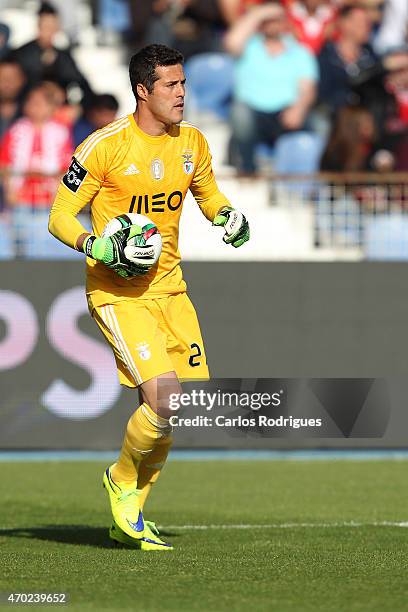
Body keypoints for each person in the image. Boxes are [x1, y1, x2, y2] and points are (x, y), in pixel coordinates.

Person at [48, 44, 249, 551]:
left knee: (171, 410)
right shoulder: (104, 146)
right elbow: (59, 217)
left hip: (171, 290)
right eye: (171, 86)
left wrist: (227, 216)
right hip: (118, 292)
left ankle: (130, 513)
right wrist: (94, 244)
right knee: (164, 396)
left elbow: (208, 194)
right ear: (143, 90)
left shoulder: (194, 143)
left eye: (183, 84)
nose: (182, 94)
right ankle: (120, 481)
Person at [224, 2, 318, 174]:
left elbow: (308, 88)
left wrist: (299, 109)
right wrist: (259, 13)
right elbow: (232, 41)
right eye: (268, 20)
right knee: (239, 114)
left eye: (277, 20)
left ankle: (304, 180)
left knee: (320, 123)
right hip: (252, 112)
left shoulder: (300, 52)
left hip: (286, 113)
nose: (272, 24)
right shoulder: (248, 47)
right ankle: (247, 170)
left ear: (286, 23)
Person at [1, 83, 72, 256]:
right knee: (20, 242)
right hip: (21, 200)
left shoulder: (60, 132)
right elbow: (4, 164)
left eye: (40, 103)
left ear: (51, 107)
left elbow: (68, 167)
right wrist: (10, 186)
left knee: (47, 243)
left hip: (49, 200)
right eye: (31, 103)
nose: (35, 108)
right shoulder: (16, 130)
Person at [12, 2, 93, 107]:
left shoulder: (64, 56)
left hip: (59, 111)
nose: (49, 31)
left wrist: (73, 105)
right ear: (38, 26)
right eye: (45, 26)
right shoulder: (22, 54)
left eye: (52, 26)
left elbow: (80, 83)